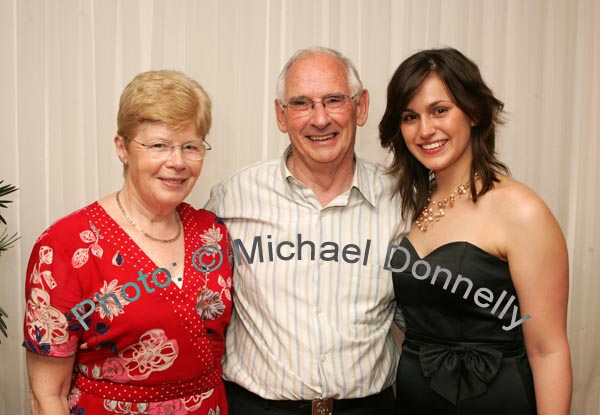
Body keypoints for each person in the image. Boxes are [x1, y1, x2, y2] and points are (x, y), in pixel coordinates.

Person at [206, 46, 404, 415]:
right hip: (257, 408)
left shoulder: (400, 199)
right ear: (281, 116)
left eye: (334, 100)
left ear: (361, 107)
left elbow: (425, 313)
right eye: (301, 103)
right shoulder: (233, 196)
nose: (320, 119)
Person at [23, 70, 233, 415]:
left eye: (191, 146)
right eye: (159, 145)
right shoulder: (66, 246)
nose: (178, 162)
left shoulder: (213, 233)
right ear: (122, 148)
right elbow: (48, 396)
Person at [378, 47, 572, 414]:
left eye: (439, 110)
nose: (425, 130)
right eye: (409, 116)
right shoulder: (408, 207)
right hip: (415, 400)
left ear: (474, 113)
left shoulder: (520, 210)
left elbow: (549, 351)